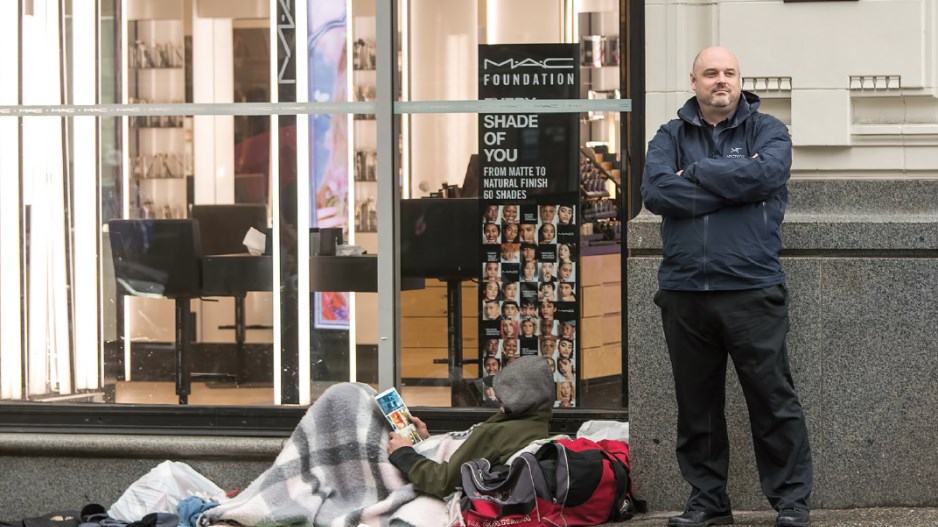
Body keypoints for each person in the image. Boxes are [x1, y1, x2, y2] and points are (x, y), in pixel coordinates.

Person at [641, 46, 812, 527]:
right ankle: (709, 502)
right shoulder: (669, 134)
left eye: (730, 73)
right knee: (698, 407)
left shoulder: (769, 130)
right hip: (685, 291)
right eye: (711, 73)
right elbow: (656, 192)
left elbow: (769, 174)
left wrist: (695, 173)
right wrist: (733, 187)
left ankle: (792, 503)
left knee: (773, 400)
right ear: (693, 81)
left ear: (740, 81)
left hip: (751, 288)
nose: (722, 80)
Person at [388, 356, 555, 498]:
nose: (497, 398)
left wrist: (403, 453)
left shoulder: (495, 434)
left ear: (517, 399)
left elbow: (442, 482)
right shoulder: (538, 426)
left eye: (503, 394)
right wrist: (427, 442)